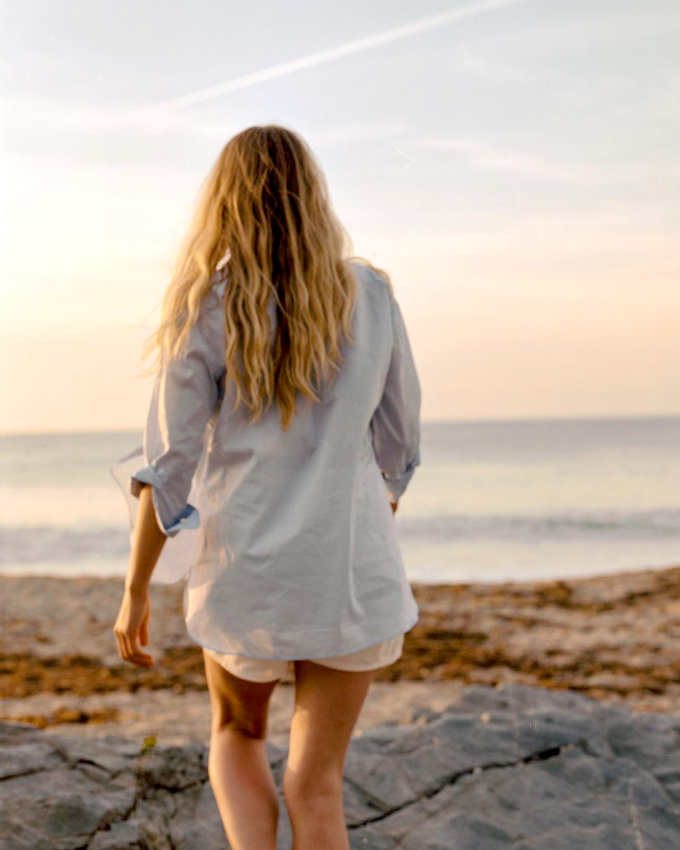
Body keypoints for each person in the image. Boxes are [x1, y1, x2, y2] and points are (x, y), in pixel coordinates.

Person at [111, 124, 421, 850]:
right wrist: (356, 523)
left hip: (245, 571)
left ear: (223, 202)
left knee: (236, 731)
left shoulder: (204, 307)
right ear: (313, 196)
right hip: (351, 573)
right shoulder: (371, 294)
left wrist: (134, 591)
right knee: (318, 783)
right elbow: (400, 445)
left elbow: (167, 468)